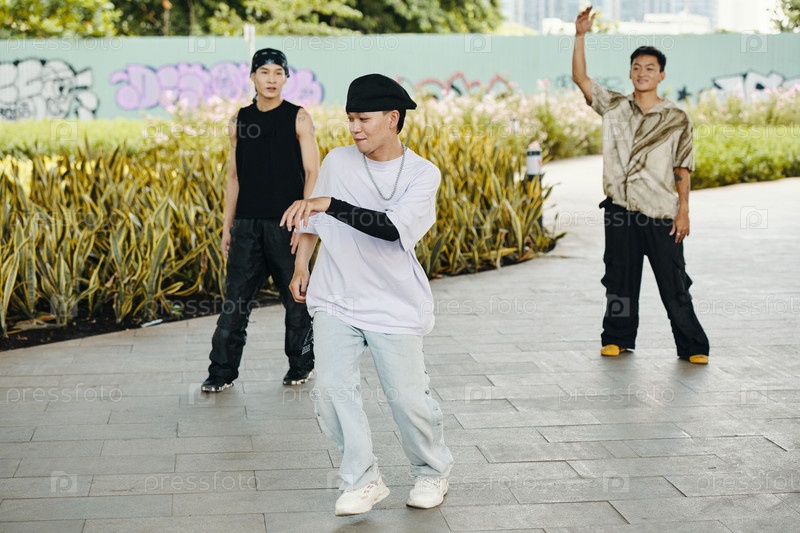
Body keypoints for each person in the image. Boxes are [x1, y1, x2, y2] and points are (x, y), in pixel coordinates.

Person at [280, 74, 454, 516]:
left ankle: (431, 470)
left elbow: (392, 229)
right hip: (336, 297)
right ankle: (363, 479)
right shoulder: (338, 161)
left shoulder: (422, 174)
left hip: (393, 304)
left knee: (408, 399)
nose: (354, 128)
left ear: (393, 119)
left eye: (364, 119)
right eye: (350, 119)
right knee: (330, 391)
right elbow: (312, 219)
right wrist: (302, 265)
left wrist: (329, 204)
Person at [571, 7, 710, 364]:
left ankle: (693, 345)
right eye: (637, 67)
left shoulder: (676, 118)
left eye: (650, 68)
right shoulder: (615, 106)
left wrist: (684, 211)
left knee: (674, 283)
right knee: (619, 279)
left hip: (660, 212)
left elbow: (683, 167)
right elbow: (581, 79)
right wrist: (580, 36)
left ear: (661, 75)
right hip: (620, 211)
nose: (642, 73)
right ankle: (617, 338)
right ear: (630, 72)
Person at [201, 48, 319, 392]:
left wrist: (304, 222)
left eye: (278, 73)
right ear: (253, 76)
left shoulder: (299, 117)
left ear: (286, 78)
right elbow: (234, 177)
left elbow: (313, 172)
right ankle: (220, 373)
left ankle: (301, 366)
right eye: (264, 72)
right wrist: (228, 225)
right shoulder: (239, 120)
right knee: (235, 303)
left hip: (287, 224)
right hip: (247, 226)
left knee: (297, 301)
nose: (271, 79)